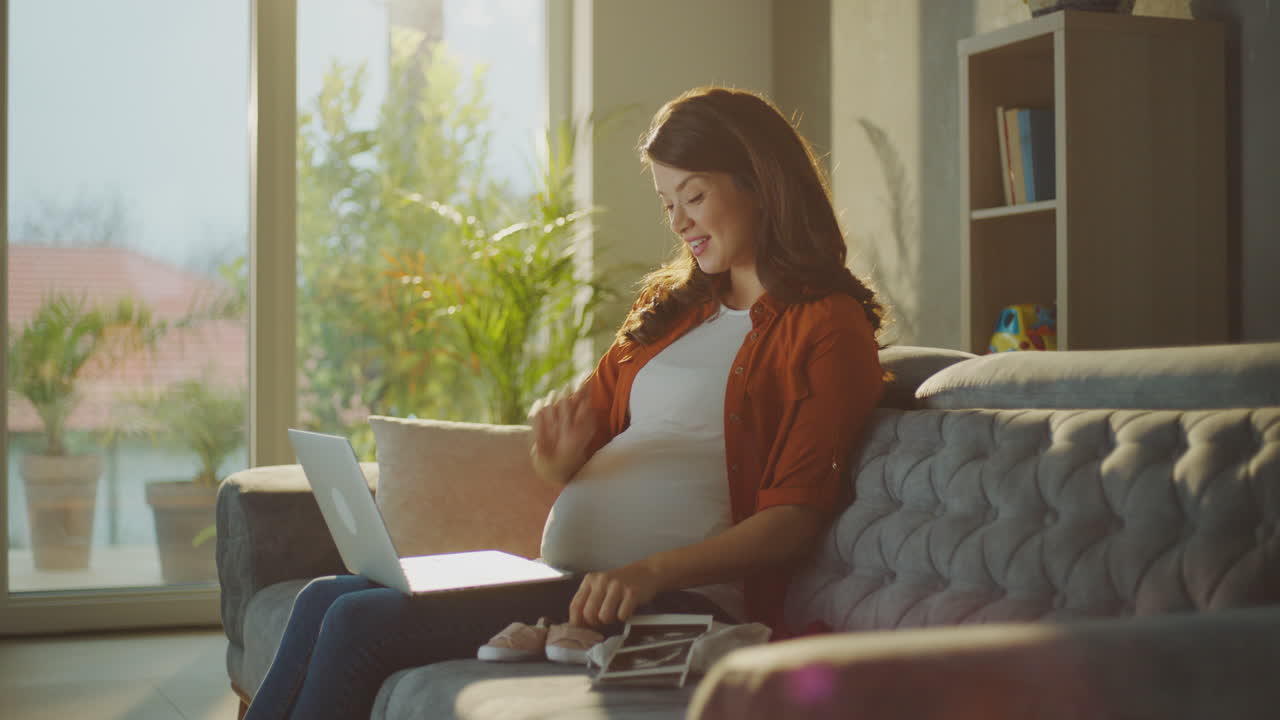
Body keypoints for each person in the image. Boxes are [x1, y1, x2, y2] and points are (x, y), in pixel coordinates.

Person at [243, 86, 886, 720]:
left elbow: (794, 519)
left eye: (694, 196)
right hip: (570, 585)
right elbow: (581, 444)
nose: (679, 222)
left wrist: (648, 573)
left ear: (760, 182)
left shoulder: (825, 325)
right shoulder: (673, 310)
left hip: (676, 600)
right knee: (326, 596)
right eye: (667, 203)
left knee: (359, 620)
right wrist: (558, 457)